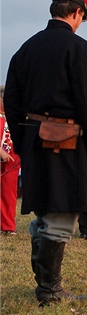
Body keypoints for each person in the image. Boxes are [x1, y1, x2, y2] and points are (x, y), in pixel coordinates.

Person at [3, 0, 87, 306]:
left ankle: (47, 285)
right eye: (82, 17)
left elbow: (11, 101)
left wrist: (22, 140)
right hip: (68, 143)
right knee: (60, 215)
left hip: (32, 140)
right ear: (76, 13)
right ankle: (49, 289)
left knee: (45, 211)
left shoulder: (26, 49)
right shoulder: (80, 48)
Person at [1, 85, 20, 236]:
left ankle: (8, 226)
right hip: (3, 157)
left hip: (12, 163)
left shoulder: (13, 117)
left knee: (9, 194)